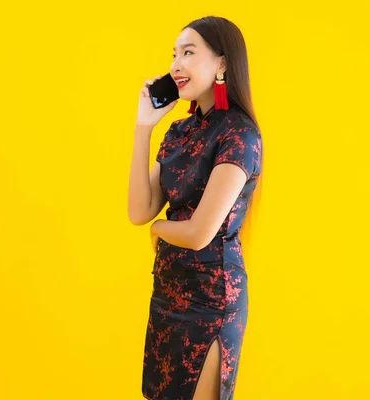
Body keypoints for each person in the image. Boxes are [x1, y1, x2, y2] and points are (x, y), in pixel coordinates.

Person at [127, 16, 263, 400]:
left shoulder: (240, 134)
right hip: (168, 295)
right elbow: (140, 209)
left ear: (222, 63)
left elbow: (201, 232)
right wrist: (144, 128)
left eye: (188, 52)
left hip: (211, 302)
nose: (175, 65)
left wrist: (158, 230)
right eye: (174, 54)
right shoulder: (179, 132)